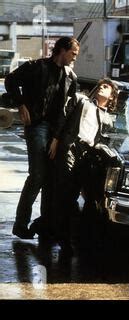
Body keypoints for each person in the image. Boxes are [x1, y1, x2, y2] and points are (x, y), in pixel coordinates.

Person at [5, 37, 80, 239]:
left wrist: (56, 138)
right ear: (62, 50)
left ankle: (46, 225)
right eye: (73, 53)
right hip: (37, 126)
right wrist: (21, 104)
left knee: (51, 178)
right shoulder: (36, 67)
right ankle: (20, 224)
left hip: (55, 131)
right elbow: (10, 80)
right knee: (37, 174)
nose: (75, 58)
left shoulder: (70, 77)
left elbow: (68, 111)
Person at [53, 78, 119, 255]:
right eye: (101, 85)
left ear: (112, 96)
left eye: (106, 87)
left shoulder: (108, 119)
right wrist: (56, 140)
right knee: (67, 192)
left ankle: (71, 234)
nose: (101, 87)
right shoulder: (82, 101)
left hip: (89, 156)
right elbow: (63, 119)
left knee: (86, 197)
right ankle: (63, 239)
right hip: (72, 148)